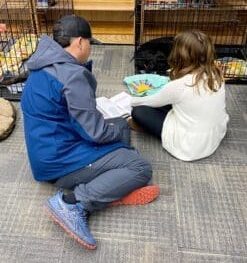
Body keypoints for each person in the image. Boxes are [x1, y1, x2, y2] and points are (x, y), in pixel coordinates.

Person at [21, 15, 159, 250]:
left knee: (122, 126)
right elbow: (95, 133)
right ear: (80, 42)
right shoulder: (72, 76)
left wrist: (116, 127)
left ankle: (112, 185)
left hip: (48, 148)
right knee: (140, 167)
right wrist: (114, 131)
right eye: (90, 44)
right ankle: (73, 203)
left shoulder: (42, 62)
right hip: (60, 163)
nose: (90, 49)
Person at [130, 30, 229, 162]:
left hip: (190, 146)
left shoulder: (180, 85)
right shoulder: (216, 74)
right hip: (215, 134)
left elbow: (150, 102)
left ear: (178, 55)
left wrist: (131, 100)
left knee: (139, 111)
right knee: (173, 102)